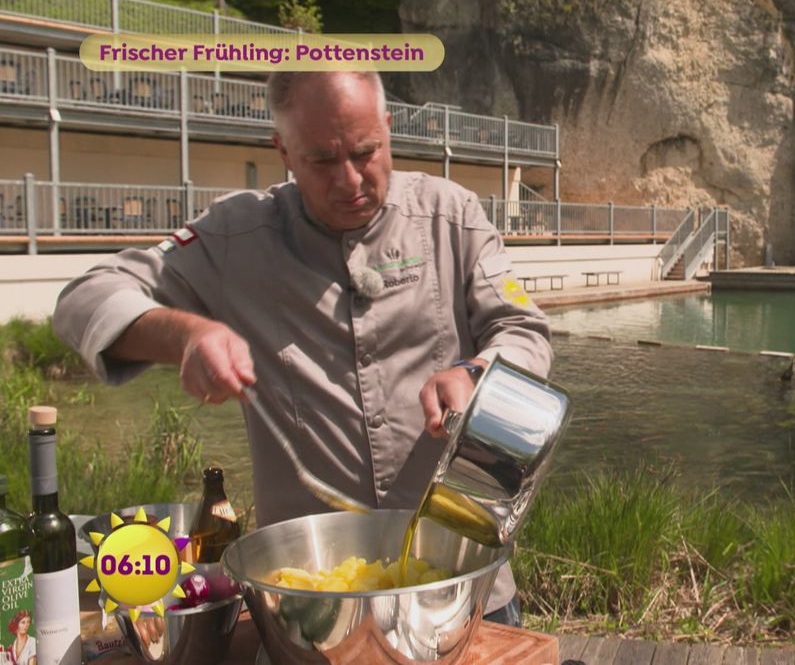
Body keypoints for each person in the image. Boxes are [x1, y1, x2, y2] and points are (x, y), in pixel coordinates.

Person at [52, 71, 552, 625]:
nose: (350, 179)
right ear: (283, 151)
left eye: (366, 152)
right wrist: (186, 334)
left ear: (388, 128)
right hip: (312, 603)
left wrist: (475, 373)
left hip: (464, 581)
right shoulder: (235, 238)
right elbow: (84, 298)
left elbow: (524, 331)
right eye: (321, 160)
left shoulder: (451, 215)